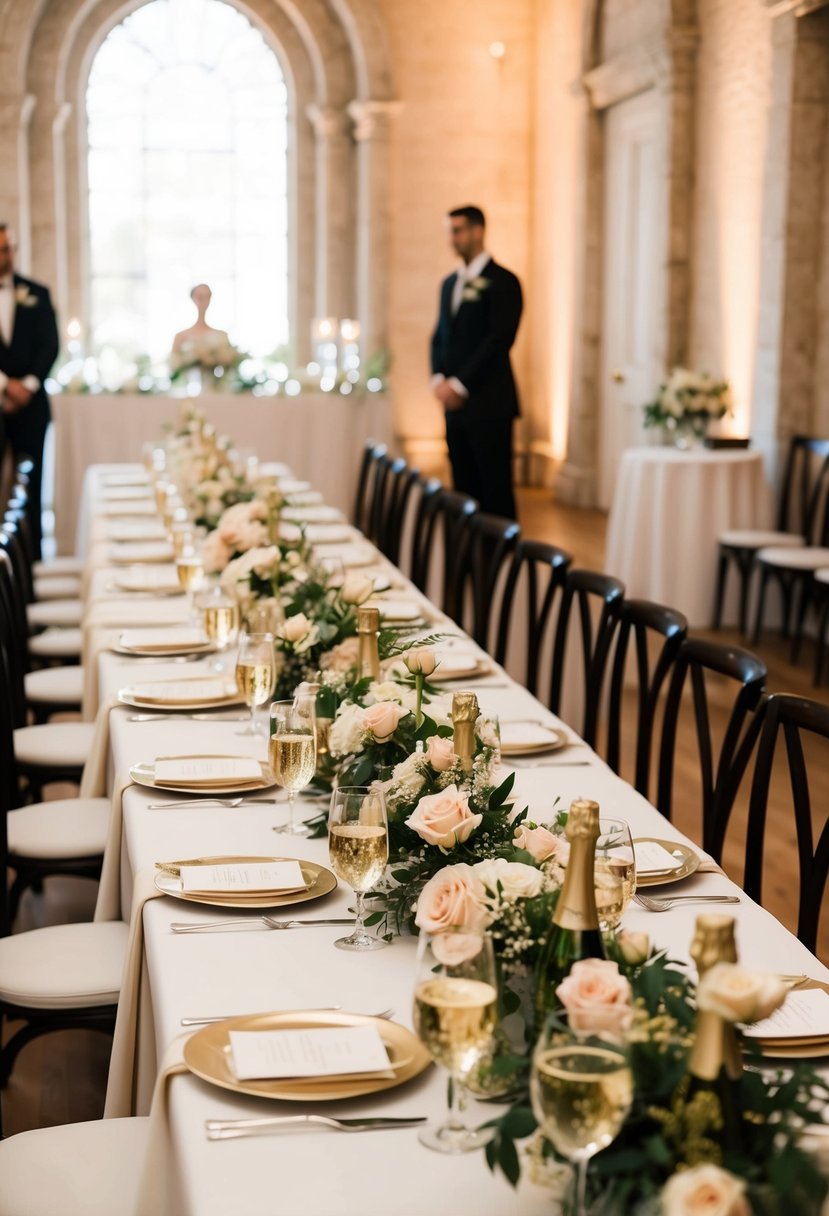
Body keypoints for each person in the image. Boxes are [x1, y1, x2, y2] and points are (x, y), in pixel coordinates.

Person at [430, 205, 522, 519]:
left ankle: (501, 562)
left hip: (489, 404)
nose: (451, 239)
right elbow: (439, 335)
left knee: (494, 490)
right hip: (454, 407)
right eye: (449, 232)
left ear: (477, 231)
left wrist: (460, 384)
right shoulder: (448, 283)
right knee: (463, 488)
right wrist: (438, 379)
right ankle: (467, 558)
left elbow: (498, 341)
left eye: (457, 231)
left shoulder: (504, 281)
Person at [0, 224, 59, 559]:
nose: (4, 256)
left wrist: (28, 385)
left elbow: (50, 345)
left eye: (8, 248)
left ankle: (31, 567)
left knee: (32, 486)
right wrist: (5, 385)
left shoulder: (37, 292)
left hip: (32, 405)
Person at [170, 283, 235, 375]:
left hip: (216, 386)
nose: (204, 301)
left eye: (207, 296)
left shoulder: (222, 335)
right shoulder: (180, 336)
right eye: (200, 296)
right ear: (192, 299)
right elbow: (173, 367)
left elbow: (230, 367)